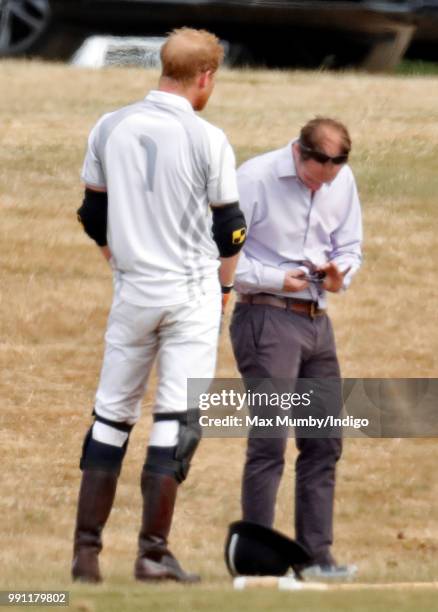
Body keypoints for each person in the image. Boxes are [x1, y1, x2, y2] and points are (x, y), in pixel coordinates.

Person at [73, 27, 246, 584]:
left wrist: (120, 261)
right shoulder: (206, 136)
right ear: (206, 77)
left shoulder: (110, 125)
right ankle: (152, 554)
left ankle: (85, 555)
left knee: (112, 414)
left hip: (133, 290)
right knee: (176, 418)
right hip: (190, 292)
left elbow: (92, 216)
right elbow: (231, 230)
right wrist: (223, 289)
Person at [230, 117, 362, 579]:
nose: (320, 184)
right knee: (270, 440)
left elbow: (351, 245)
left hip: (316, 320)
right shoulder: (255, 177)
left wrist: (340, 270)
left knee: (324, 440)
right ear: (300, 152)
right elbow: (220, 254)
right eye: (313, 175)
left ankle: (315, 559)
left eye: (329, 177)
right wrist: (272, 277)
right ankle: (257, 562)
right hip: (265, 316)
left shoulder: (341, 179)